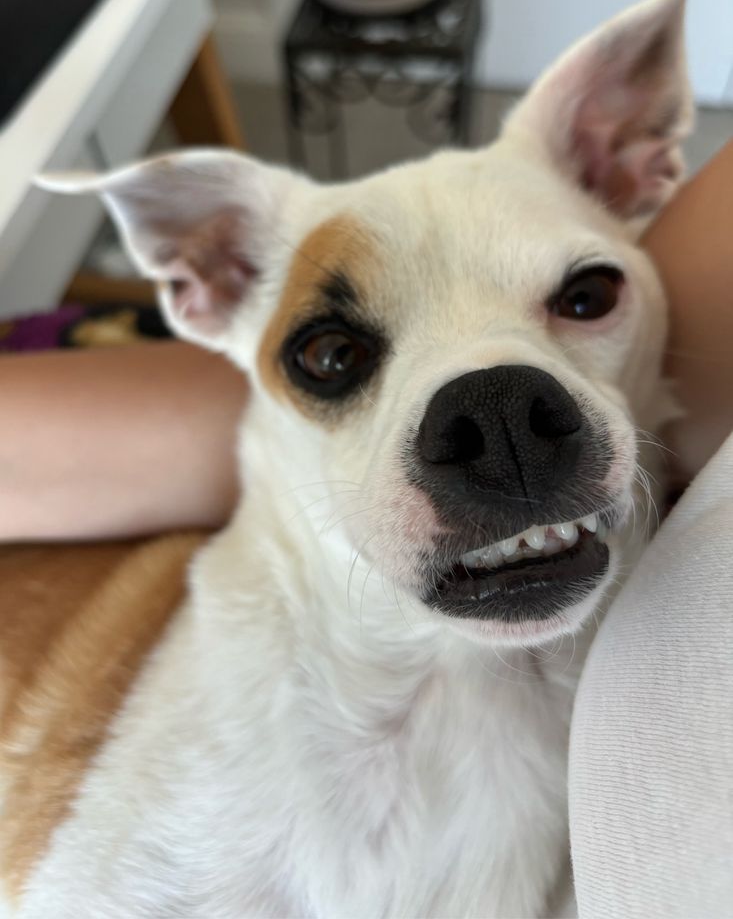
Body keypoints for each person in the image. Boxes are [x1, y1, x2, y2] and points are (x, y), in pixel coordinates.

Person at [0, 140, 732, 918]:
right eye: (334, 354)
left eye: (580, 301)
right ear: (212, 284)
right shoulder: (166, 839)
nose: (505, 431)